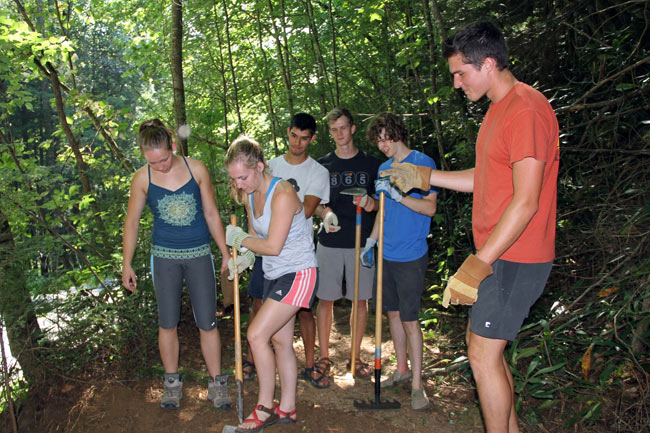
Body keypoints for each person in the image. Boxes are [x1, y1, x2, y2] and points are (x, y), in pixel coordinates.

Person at [382, 22, 559, 432]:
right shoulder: (499, 110)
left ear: (489, 63)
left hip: (517, 254)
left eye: (461, 74)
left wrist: (479, 263)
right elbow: (488, 178)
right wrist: (427, 178)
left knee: (481, 354)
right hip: (501, 254)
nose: (457, 84)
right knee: (485, 352)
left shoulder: (527, 109)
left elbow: (527, 201)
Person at [121, 119, 232, 410]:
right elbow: (131, 223)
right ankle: (172, 384)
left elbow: (210, 213)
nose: (160, 165)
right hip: (164, 257)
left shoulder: (197, 169)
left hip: (198, 255)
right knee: (167, 322)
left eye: (164, 158)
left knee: (208, 322)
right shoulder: (142, 178)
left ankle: (217, 383)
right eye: (153, 162)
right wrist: (127, 264)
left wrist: (225, 252)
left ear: (172, 144)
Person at [225, 135, 319, 431]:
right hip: (275, 273)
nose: (238, 184)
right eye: (234, 178)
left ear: (260, 166)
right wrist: (244, 257)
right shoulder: (249, 194)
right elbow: (257, 238)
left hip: (299, 273)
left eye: (242, 177)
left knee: (255, 335)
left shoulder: (283, 192)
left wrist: (240, 240)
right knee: (279, 341)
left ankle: (264, 407)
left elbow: (274, 245)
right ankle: (287, 408)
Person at [362, 112, 437, 411]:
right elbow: (382, 210)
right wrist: (371, 240)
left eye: (386, 138)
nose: (382, 146)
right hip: (386, 253)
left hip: (411, 255)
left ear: (397, 133)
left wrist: (398, 195)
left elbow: (429, 208)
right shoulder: (382, 168)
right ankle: (402, 370)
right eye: (378, 141)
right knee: (392, 315)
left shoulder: (422, 163)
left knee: (409, 319)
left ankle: (418, 385)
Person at [313, 108, 381, 381]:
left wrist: (370, 204)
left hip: (362, 243)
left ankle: (355, 355)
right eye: (334, 129)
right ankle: (324, 357)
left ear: (352, 129)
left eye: (343, 127)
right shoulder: (322, 166)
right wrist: (324, 213)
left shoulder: (372, 164)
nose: (340, 133)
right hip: (330, 242)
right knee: (326, 300)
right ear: (329, 133)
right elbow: (315, 203)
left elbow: (381, 203)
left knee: (359, 301)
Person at [268, 113, 330, 388]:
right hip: (267, 248)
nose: (298, 142)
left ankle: (309, 365)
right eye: (294, 135)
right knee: (260, 304)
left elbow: (306, 210)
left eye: (305, 138)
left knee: (304, 310)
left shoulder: (318, 172)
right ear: (287, 132)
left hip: (298, 251)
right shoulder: (269, 166)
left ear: (312, 139)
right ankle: (255, 362)